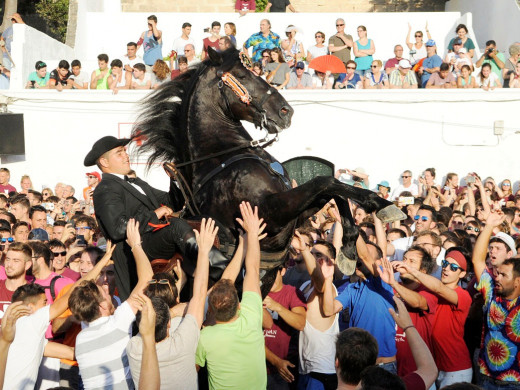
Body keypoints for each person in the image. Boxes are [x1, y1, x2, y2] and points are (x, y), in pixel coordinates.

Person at [84, 136, 228, 300]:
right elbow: (117, 229)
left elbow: (170, 203)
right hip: (136, 250)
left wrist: (174, 179)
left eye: (124, 151)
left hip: (155, 239)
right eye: (119, 153)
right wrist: (154, 214)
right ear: (104, 162)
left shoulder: (137, 182)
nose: (126, 155)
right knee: (176, 226)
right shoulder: (106, 187)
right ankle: (226, 271)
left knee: (202, 223)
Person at [3, 247, 113, 390]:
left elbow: (69, 353)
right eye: (44, 302)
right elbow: (71, 293)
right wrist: (102, 262)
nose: (48, 304)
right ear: (30, 307)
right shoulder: (30, 323)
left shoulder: (26, 333)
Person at [128, 218, 214, 389]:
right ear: (168, 324)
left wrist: (136, 246)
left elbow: (197, 296)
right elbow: (199, 295)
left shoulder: (133, 348)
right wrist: (203, 251)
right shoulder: (183, 340)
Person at [195, 202, 267, 390]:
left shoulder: (204, 338)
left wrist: (244, 243)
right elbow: (252, 270)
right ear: (239, 305)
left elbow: (191, 372)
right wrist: (251, 235)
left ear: (210, 310)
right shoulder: (251, 317)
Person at [396, 248, 473, 387]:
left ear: (462, 274)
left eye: (453, 267)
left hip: (455, 368)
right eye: (444, 263)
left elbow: (439, 289)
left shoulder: (463, 295)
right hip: (434, 366)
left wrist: (410, 269)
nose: (446, 269)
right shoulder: (429, 289)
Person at [322, 237, 398, 374]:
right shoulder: (352, 288)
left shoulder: (383, 281)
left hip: (382, 368)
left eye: (365, 255)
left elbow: (364, 255)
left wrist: (350, 226)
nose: (359, 258)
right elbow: (329, 310)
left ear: (379, 262)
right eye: (356, 255)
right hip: (357, 366)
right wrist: (328, 280)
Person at [471, 210, 520, 388]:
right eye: (497, 274)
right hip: (486, 376)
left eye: (503, 275)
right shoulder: (491, 289)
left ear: (517, 281)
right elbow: (477, 260)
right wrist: (489, 225)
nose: (497, 277)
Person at [263, 261, 306, 388]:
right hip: (255, 368)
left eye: (272, 273)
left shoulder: (292, 293)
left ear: (282, 271)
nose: (267, 278)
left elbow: (301, 324)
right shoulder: (256, 293)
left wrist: (277, 307)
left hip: (281, 371)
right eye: (264, 273)